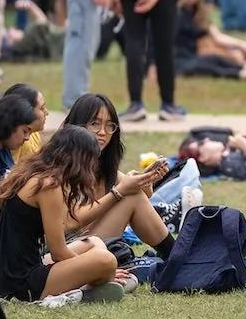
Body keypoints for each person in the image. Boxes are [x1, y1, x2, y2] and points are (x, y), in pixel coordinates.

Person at [0, 125, 122, 302]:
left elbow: (66, 224)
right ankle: (83, 290)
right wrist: (92, 270)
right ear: (79, 160)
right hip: (19, 284)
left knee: (94, 242)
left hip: (4, 274)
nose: (93, 169)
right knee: (106, 260)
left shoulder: (33, 173)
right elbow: (59, 253)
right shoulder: (49, 185)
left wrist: (86, 266)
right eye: (91, 162)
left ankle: (89, 285)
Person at [61, 94, 181, 254]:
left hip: (88, 243)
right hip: (61, 252)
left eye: (109, 125)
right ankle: (178, 258)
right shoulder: (62, 166)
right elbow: (70, 223)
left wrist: (145, 181)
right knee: (131, 196)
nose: (102, 132)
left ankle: (177, 257)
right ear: (77, 125)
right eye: (95, 124)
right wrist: (119, 192)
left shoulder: (99, 164)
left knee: (134, 195)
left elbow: (138, 196)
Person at [1, 82, 49, 161]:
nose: (47, 113)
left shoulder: (34, 134)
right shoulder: (13, 142)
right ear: (26, 110)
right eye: (41, 108)